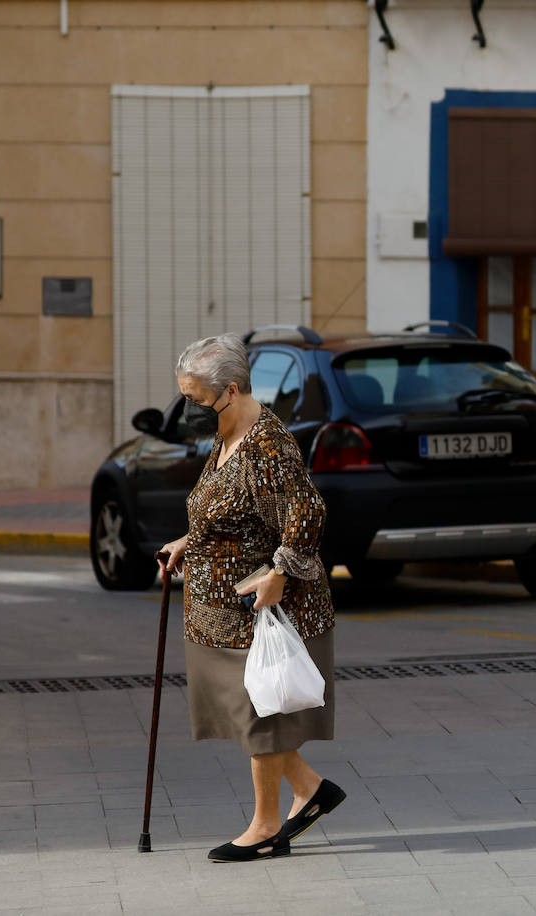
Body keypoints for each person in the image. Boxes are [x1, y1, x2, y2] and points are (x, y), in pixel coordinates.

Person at [158, 333, 346, 863]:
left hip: (259, 612)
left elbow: (306, 513)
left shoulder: (269, 443)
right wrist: (188, 540)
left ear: (231, 390)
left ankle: (266, 827)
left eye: (194, 399)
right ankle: (311, 792)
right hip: (216, 613)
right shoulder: (227, 433)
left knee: (261, 716)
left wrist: (280, 575)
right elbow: (229, 510)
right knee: (248, 713)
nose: (188, 410)